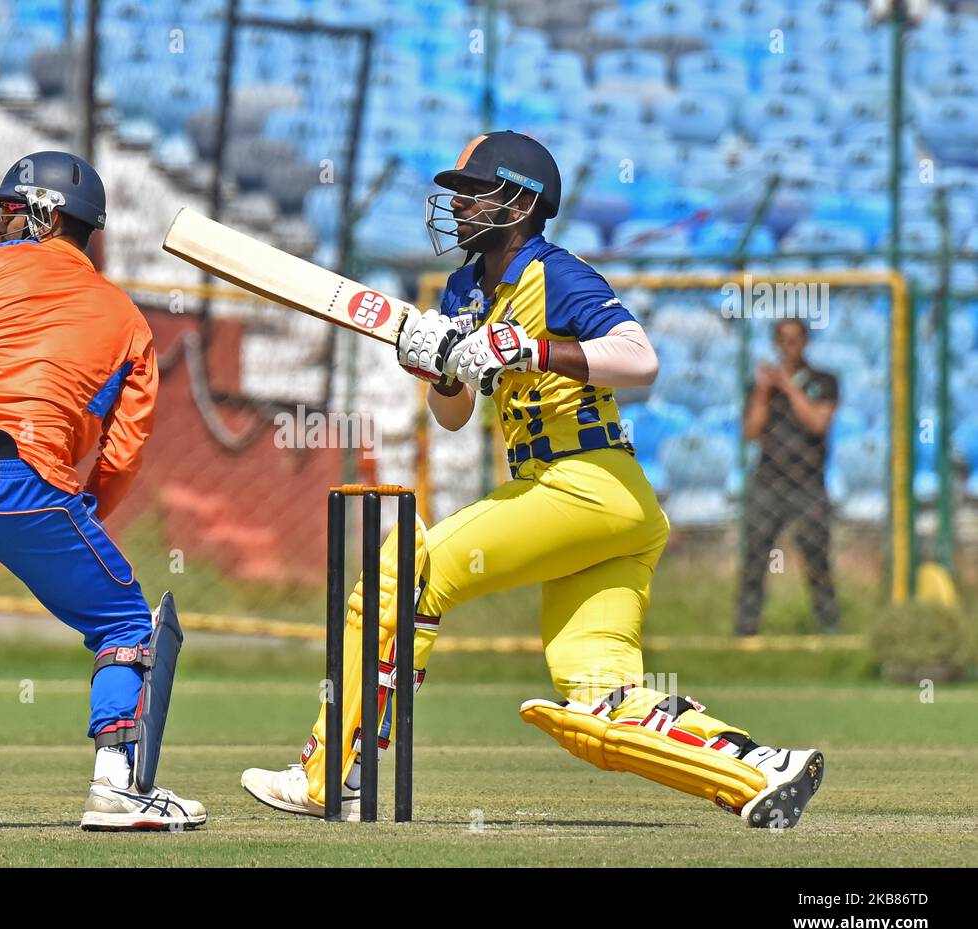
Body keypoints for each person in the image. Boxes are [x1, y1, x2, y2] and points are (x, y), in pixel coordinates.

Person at [241, 131, 824, 828]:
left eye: (471, 193)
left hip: (588, 482)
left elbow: (640, 360)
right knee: (598, 700)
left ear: (518, 202)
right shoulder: (464, 288)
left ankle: (335, 772)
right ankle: (759, 767)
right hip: (602, 515)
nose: (455, 207)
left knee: (409, 567)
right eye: (454, 193)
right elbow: (452, 415)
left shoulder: (560, 274)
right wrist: (438, 364)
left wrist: (531, 346)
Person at [0, 151, 204, 830]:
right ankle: (115, 785)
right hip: (34, 485)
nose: (0, 225)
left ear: (47, 215)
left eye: (11, 212)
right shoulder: (128, 320)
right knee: (121, 620)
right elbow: (122, 454)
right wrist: (77, 524)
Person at [735, 317, 841, 636]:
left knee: (817, 558)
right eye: (783, 339)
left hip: (808, 482)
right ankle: (746, 631)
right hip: (768, 481)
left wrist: (788, 386)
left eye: (795, 339)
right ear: (775, 343)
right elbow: (751, 432)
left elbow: (818, 423)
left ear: (805, 342)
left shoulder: (823, 381)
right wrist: (765, 393)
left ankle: (830, 630)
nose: (789, 345)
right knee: (755, 556)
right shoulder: (760, 385)